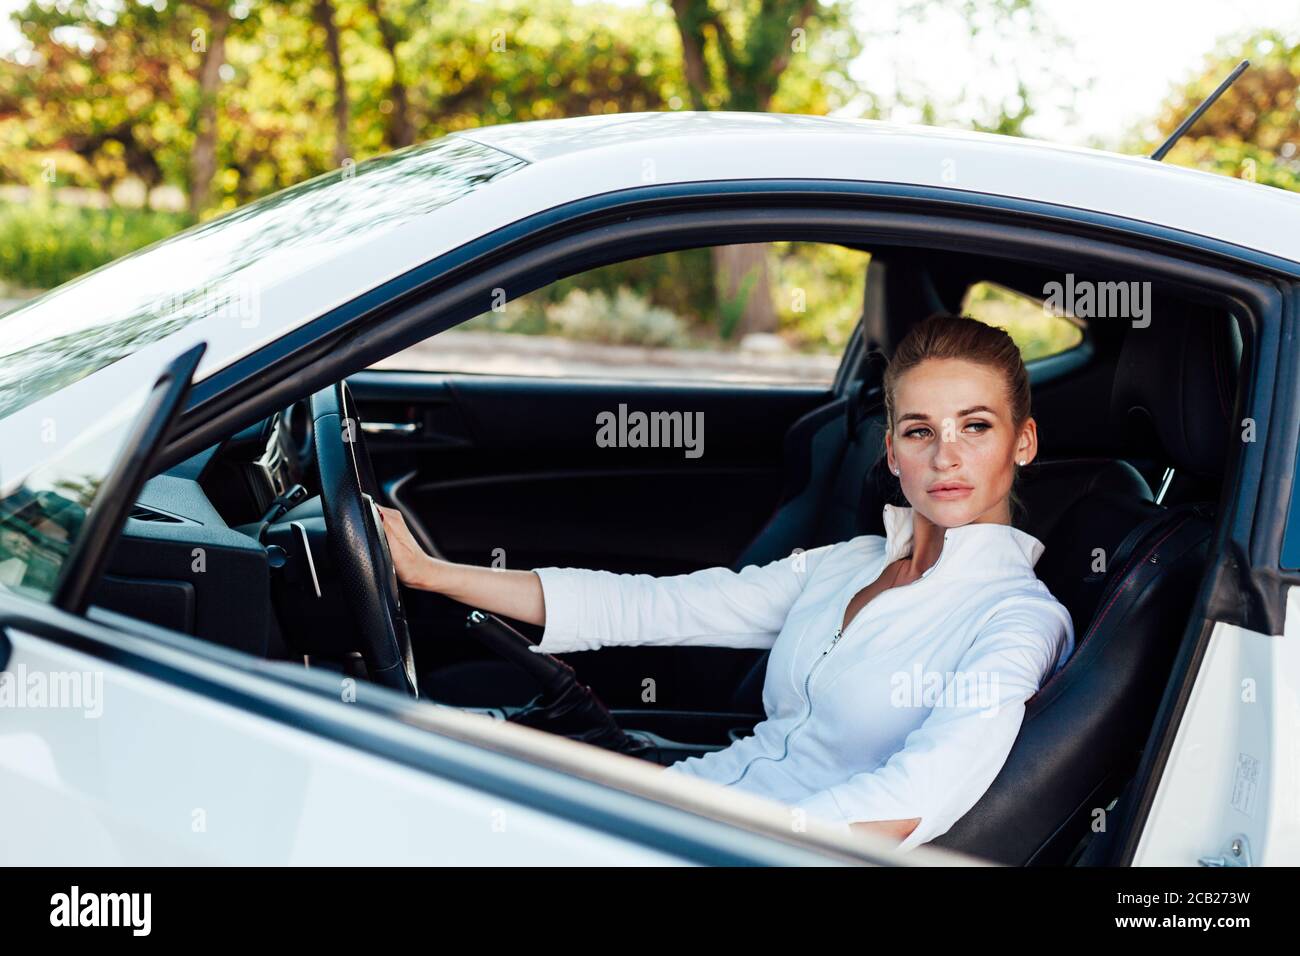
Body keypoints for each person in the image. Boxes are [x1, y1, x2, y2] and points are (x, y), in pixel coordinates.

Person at [377, 313, 1075, 853]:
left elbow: (914, 796)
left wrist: (705, 839)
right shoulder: (851, 562)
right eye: (921, 431)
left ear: (1024, 442)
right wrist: (431, 574)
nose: (946, 455)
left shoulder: (1016, 619)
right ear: (891, 450)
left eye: (975, 427)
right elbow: (654, 606)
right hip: (692, 797)